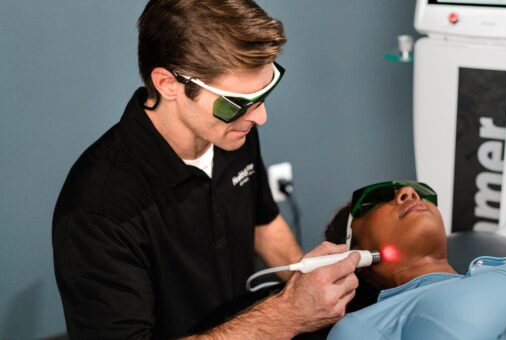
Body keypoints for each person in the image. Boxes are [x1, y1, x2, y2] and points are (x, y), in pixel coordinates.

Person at [52, 1, 360, 338]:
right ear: (168, 83)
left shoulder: (232, 135)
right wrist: (288, 313)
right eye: (237, 104)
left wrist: (310, 279)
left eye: (265, 92)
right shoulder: (98, 211)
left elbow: (263, 221)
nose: (259, 117)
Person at [324, 180, 506, 340]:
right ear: (355, 255)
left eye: (419, 192)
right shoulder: (364, 326)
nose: (408, 192)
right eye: (375, 199)